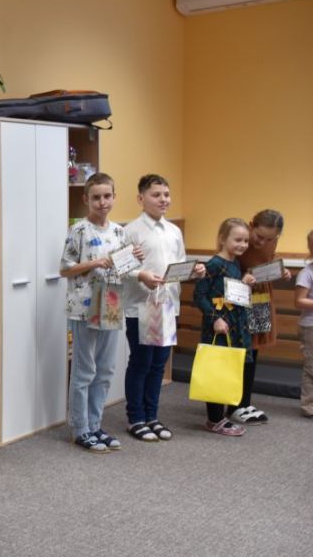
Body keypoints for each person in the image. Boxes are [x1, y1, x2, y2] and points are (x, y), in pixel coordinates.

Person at [59, 173, 141, 452]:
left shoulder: (119, 232)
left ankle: (95, 424)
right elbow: (65, 269)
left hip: (112, 306)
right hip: (84, 309)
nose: (102, 202)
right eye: (96, 197)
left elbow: (122, 269)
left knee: (105, 370)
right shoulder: (79, 231)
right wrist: (95, 262)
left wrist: (134, 261)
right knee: (84, 371)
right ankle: (80, 428)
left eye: (107, 196)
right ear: (86, 199)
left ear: (114, 197)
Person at [121, 174, 205, 442]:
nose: (163, 199)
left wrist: (194, 270)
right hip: (140, 307)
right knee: (141, 362)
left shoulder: (174, 231)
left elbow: (178, 266)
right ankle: (136, 418)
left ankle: (151, 416)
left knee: (159, 364)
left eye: (166, 194)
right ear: (141, 198)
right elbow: (121, 268)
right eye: (156, 195)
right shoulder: (131, 231)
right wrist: (141, 275)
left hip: (168, 307)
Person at [193, 219, 257, 436]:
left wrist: (244, 284)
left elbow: (231, 292)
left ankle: (223, 415)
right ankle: (214, 419)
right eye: (238, 240)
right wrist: (215, 318)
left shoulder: (235, 264)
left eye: (246, 241)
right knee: (216, 368)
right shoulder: (213, 264)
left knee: (229, 368)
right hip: (218, 324)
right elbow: (199, 295)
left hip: (235, 323)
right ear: (222, 239)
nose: (243, 245)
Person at [234, 209, 293, 424]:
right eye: (259, 236)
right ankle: (234, 404)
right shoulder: (239, 236)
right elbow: (226, 262)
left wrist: (280, 268)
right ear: (251, 225)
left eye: (270, 239)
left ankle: (245, 402)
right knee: (240, 349)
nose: (262, 242)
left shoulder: (271, 241)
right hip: (239, 294)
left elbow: (269, 258)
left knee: (253, 349)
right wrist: (243, 277)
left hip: (260, 296)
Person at [295, 230, 313, 419]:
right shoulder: (307, 273)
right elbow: (299, 301)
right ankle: (309, 406)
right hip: (311, 327)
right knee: (312, 368)